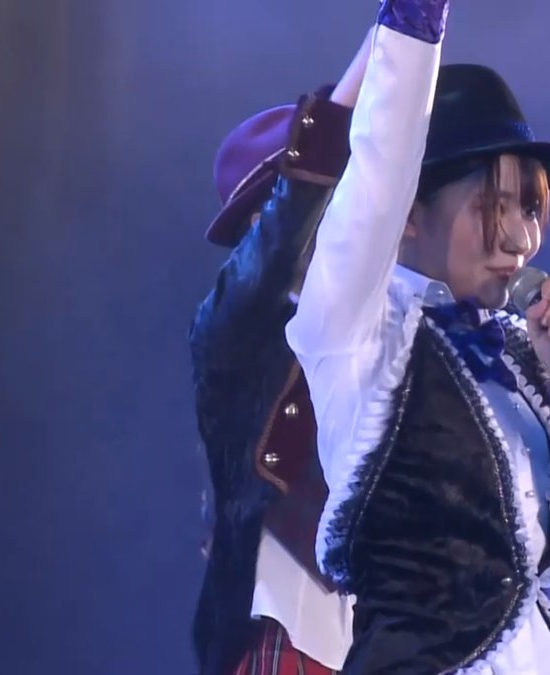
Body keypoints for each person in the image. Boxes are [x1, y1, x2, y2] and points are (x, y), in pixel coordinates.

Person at [286, 1, 550, 672]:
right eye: (490, 208)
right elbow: (381, 162)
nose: (520, 238)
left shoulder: (521, 353)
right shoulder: (357, 329)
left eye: (530, 209)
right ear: (409, 213)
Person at [189, 29, 375, 675]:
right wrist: (397, 35)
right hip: (290, 626)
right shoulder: (230, 324)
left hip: (383, 634)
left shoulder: (382, 321)